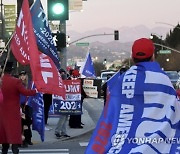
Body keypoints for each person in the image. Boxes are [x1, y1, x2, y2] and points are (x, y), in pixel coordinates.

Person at [86, 38, 180, 153]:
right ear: (153, 56)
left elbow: (110, 115)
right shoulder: (163, 80)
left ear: (133, 57)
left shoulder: (122, 80)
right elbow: (174, 113)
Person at [0, 62, 36, 154]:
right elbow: (25, 92)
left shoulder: (1, 81)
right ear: (12, 71)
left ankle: (4, 149)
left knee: (4, 132)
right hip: (13, 111)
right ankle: (15, 149)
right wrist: (35, 91)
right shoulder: (15, 81)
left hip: (2, 111)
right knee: (14, 132)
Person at [19, 71, 33, 147]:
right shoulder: (18, 84)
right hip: (21, 105)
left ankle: (28, 139)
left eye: (24, 75)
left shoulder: (30, 84)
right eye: (21, 75)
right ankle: (23, 140)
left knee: (27, 123)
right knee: (22, 123)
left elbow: (32, 93)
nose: (22, 77)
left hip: (28, 105)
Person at [55, 69, 70, 139]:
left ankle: (64, 132)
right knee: (63, 117)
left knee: (65, 117)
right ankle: (57, 131)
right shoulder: (58, 84)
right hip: (62, 102)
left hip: (66, 102)